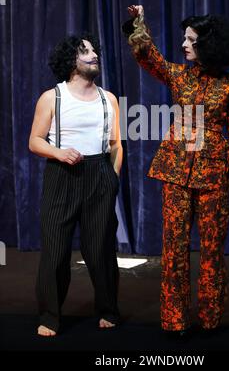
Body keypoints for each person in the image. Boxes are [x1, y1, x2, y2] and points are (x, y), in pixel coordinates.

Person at [122, 5, 229, 335]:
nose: (183, 44)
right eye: (184, 38)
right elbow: (149, 58)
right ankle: (175, 320)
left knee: (211, 249)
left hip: (214, 174)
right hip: (176, 172)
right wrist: (139, 25)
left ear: (208, 45)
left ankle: (210, 317)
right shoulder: (179, 75)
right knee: (174, 249)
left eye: (190, 39)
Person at [29, 34, 122, 336]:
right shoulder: (52, 97)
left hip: (99, 175)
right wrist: (58, 152)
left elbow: (116, 145)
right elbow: (34, 141)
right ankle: (49, 316)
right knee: (55, 251)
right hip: (62, 176)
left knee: (101, 250)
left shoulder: (108, 99)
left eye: (94, 50)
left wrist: (112, 178)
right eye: (85, 52)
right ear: (72, 61)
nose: (94, 55)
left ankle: (108, 309)